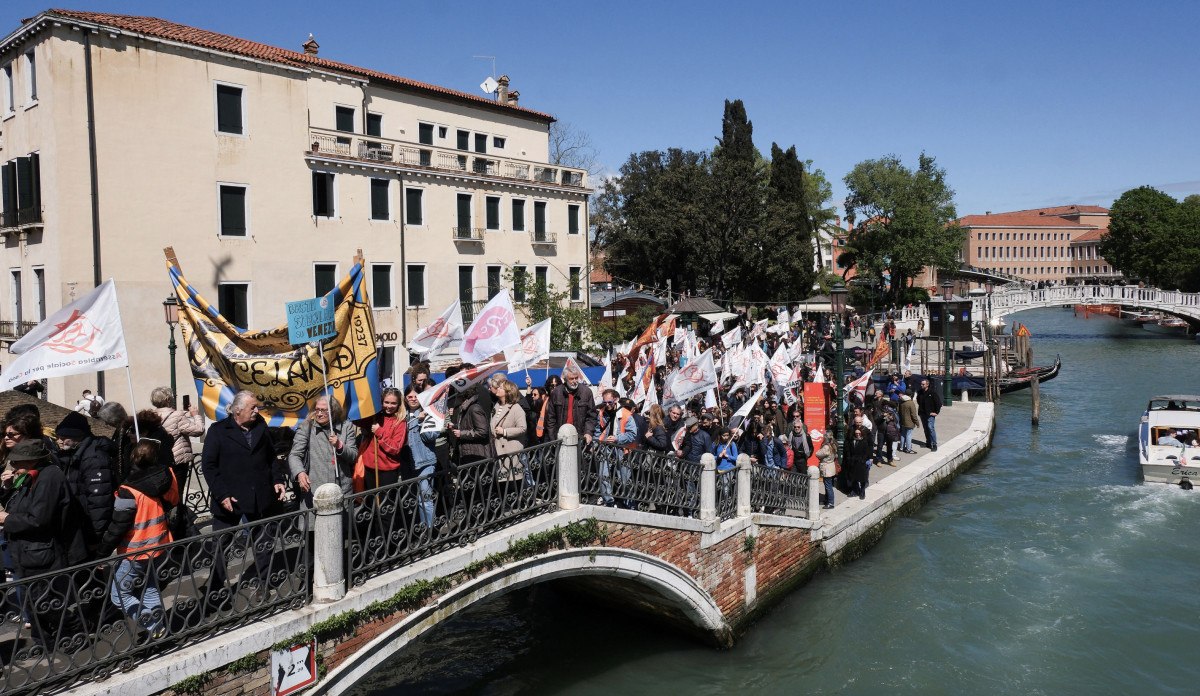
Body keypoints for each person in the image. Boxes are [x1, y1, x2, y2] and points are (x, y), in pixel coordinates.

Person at [201, 391, 288, 601]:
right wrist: (222, 494)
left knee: (264, 544)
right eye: (253, 408)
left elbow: (271, 457)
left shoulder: (260, 426)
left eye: (257, 407)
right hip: (229, 499)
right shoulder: (218, 431)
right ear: (238, 411)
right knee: (221, 546)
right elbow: (209, 466)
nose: (257, 411)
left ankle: (263, 584)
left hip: (260, 497)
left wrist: (277, 479)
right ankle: (214, 589)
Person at [0, 440, 87, 648]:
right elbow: (16, 505)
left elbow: (39, 518)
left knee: (46, 602)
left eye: (17, 462)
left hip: (41, 552)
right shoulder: (31, 476)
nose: (14, 467)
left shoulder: (49, 477)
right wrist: (8, 487)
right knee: (32, 602)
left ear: (32, 460)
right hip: (27, 551)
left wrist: (7, 519)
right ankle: (44, 643)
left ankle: (76, 633)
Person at [98, 439, 179, 640]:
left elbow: (118, 525)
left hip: (135, 550)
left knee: (119, 595)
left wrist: (102, 552)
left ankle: (152, 624)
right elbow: (174, 500)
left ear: (133, 458)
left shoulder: (128, 490)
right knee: (149, 588)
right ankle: (160, 628)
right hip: (159, 544)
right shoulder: (166, 474)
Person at [55, 411, 116, 560]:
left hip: (90, 530)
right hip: (81, 525)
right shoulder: (73, 454)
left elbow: (99, 500)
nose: (59, 441)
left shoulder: (93, 458)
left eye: (63, 437)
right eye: (58, 437)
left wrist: (96, 537)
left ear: (77, 437)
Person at [288, 395, 358, 508]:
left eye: (324, 410)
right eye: (317, 409)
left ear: (334, 411)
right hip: (314, 491)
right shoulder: (306, 427)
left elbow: (353, 456)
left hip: (342, 489)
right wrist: (300, 473)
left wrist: (340, 446)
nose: (319, 414)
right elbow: (294, 455)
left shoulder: (346, 426)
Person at [152, 386, 205, 491]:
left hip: (158, 459)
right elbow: (199, 430)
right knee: (177, 491)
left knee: (164, 491)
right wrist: (196, 415)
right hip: (176, 460)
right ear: (168, 399)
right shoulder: (177, 416)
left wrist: (185, 413)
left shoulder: (151, 415)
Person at [355, 387, 408, 489]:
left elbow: (395, 448)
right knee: (371, 498)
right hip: (369, 467)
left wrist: (379, 432)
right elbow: (357, 420)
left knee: (386, 498)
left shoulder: (400, 422)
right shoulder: (375, 417)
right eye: (386, 402)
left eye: (393, 403)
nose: (389, 406)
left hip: (388, 470)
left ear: (399, 404)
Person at [402, 386, 440, 529]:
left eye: (416, 396)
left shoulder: (429, 413)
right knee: (412, 499)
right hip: (408, 462)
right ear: (405, 398)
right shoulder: (402, 415)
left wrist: (421, 422)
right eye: (410, 397)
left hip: (425, 462)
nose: (413, 399)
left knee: (425, 499)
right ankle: (420, 529)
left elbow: (431, 436)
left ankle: (430, 531)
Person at [593, 388, 637, 507]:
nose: (607, 405)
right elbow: (598, 430)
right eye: (605, 402)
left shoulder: (626, 414)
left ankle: (629, 504)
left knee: (624, 478)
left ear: (616, 400)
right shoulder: (602, 412)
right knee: (603, 475)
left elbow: (632, 434)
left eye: (610, 402)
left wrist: (617, 438)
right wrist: (595, 444)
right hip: (606, 447)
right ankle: (609, 501)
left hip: (622, 449)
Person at [489, 377, 527, 495]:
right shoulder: (496, 406)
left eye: (501, 388)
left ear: (508, 392)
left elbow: (523, 428)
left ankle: (518, 502)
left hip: (511, 450)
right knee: (502, 482)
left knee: (513, 482)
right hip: (497, 450)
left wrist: (505, 431)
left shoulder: (516, 408)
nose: (498, 389)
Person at [544, 367, 597, 442]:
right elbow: (551, 418)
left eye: (576, 378)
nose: (575, 381)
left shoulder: (586, 392)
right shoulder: (556, 392)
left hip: (580, 437)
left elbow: (591, 416)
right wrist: (553, 439)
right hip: (560, 437)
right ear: (565, 379)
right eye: (571, 379)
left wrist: (588, 432)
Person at [844, 426, 873, 500]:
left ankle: (862, 492)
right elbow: (848, 450)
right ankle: (855, 491)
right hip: (852, 462)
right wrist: (849, 458)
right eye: (856, 433)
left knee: (862, 478)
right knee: (853, 478)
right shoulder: (852, 441)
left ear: (861, 433)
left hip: (861, 463)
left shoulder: (864, 441)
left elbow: (866, 452)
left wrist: (863, 460)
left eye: (859, 433)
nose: (858, 434)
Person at [916, 378, 943, 451]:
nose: (921, 385)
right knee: (926, 428)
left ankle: (934, 444)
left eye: (923, 384)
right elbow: (918, 401)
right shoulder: (920, 392)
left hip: (930, 414)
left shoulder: (932, 392)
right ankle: (928, 442)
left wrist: (936, 412)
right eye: (921, 384)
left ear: (927, 385)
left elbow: (938, 403)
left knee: (930, 428)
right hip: (922, 413)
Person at [815, 430, 838, 509]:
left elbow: (818, 454)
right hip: (831, 466)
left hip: (826, 468)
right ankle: (827, 500)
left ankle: (830, 503)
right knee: (828, 485)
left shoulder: (826, 447)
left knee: (828, 486)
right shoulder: (833, 444)